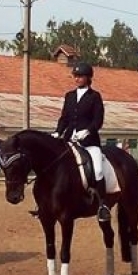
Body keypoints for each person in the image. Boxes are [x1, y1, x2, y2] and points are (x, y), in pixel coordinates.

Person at [51, 62, 110, 222]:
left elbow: (98, 120)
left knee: (97, 170)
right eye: (75, 76)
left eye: (80, 76)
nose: (77, 79)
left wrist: (88, 131)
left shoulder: (94, 96)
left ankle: (102, 205)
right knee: (56, 166)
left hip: (89, 142)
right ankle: (48, 202)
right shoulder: (69, 96)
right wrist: (58, 131)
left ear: (88, 78)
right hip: (69, 140)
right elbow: (64, 117)